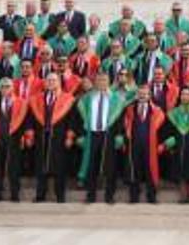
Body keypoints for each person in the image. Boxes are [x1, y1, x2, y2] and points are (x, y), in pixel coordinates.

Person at [76, 73, 127, 204]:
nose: (101, 82)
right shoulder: (87, 98)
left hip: (108, 135)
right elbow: (81, 119)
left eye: (104, 80)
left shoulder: (116, 99)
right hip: (92, 134)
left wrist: (120, 135)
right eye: (98, 80)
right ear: (95, 82)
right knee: (91, 166)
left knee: (110, 167)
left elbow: (120, 119)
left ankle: (109, 196)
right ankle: (90, 195)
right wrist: (81, 134)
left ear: (109, 81)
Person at [30, 72, 77, 203]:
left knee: (59, 167)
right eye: (48, 80)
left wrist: (69, 136)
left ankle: (60, 195)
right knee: (40, 167)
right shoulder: (37, 99)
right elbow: (32, 118)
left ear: (59, 82)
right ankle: (40, 194)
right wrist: (30, 134)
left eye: (53, 80)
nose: (50, 83)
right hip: (42, 137)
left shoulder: (68, 99)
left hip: (59, 137)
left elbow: (73, 120)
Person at [162, 87, 189, 204]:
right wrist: (169, 140)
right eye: (182, 94)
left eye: (187, 94)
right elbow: (168, 130)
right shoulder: (174, 113)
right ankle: (183, 196)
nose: (185, 97)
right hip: (179, 146)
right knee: (180, 170)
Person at [123, 85, 166, 204]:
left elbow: (161, 130)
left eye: (145, 94)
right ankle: (134, 196)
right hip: (134, 144)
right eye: (140, 93)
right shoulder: (130, 109)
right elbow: (125, 127)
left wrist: (161, 144)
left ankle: (151, 196)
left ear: (149, 96)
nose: (143, 96)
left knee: (150, 171)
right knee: (134, 170)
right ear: (137, 95)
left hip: (150, 145)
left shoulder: (157, 111)